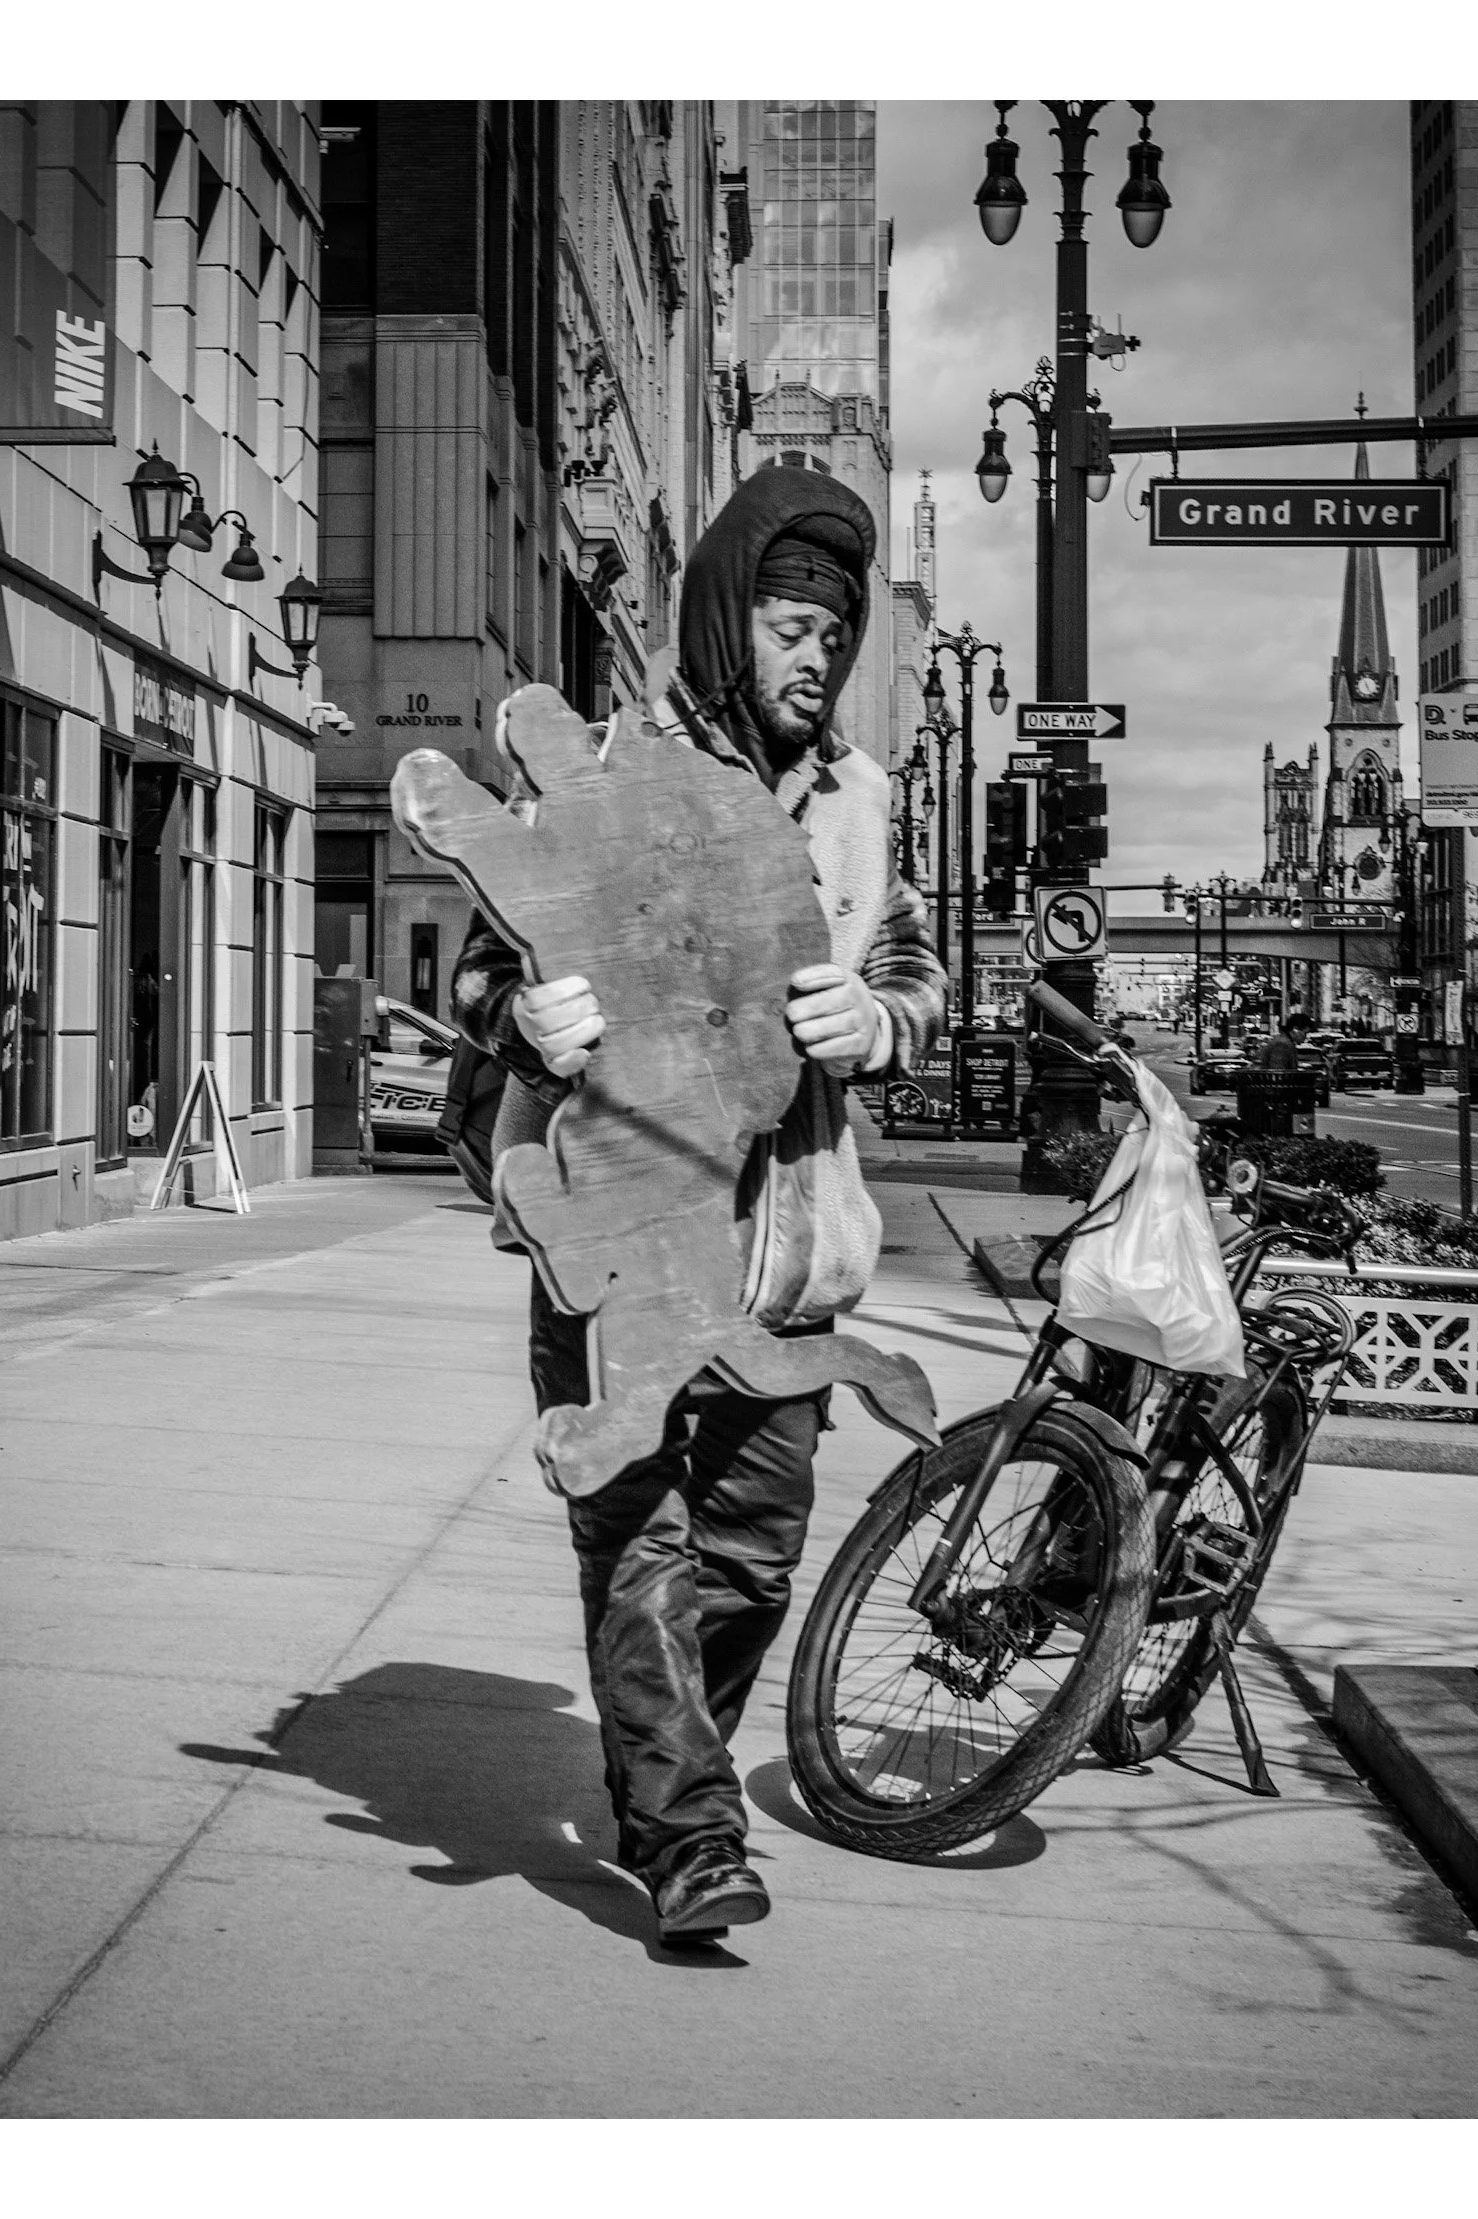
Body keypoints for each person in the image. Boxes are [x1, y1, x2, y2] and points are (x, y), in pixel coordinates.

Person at [450, 467, 946, 1948]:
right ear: (734, 620)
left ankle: (666, 1774)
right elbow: (485, 969)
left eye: (833, 637)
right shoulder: (613, 766)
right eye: (791, 625)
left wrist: (885, 1016)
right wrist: (521, 1016)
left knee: (753, 1551)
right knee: (640, 1536)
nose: (814, 657)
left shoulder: (857, 808)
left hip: (784, 1246)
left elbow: (914, 969)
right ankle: (690, 1836)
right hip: (615, 1229)